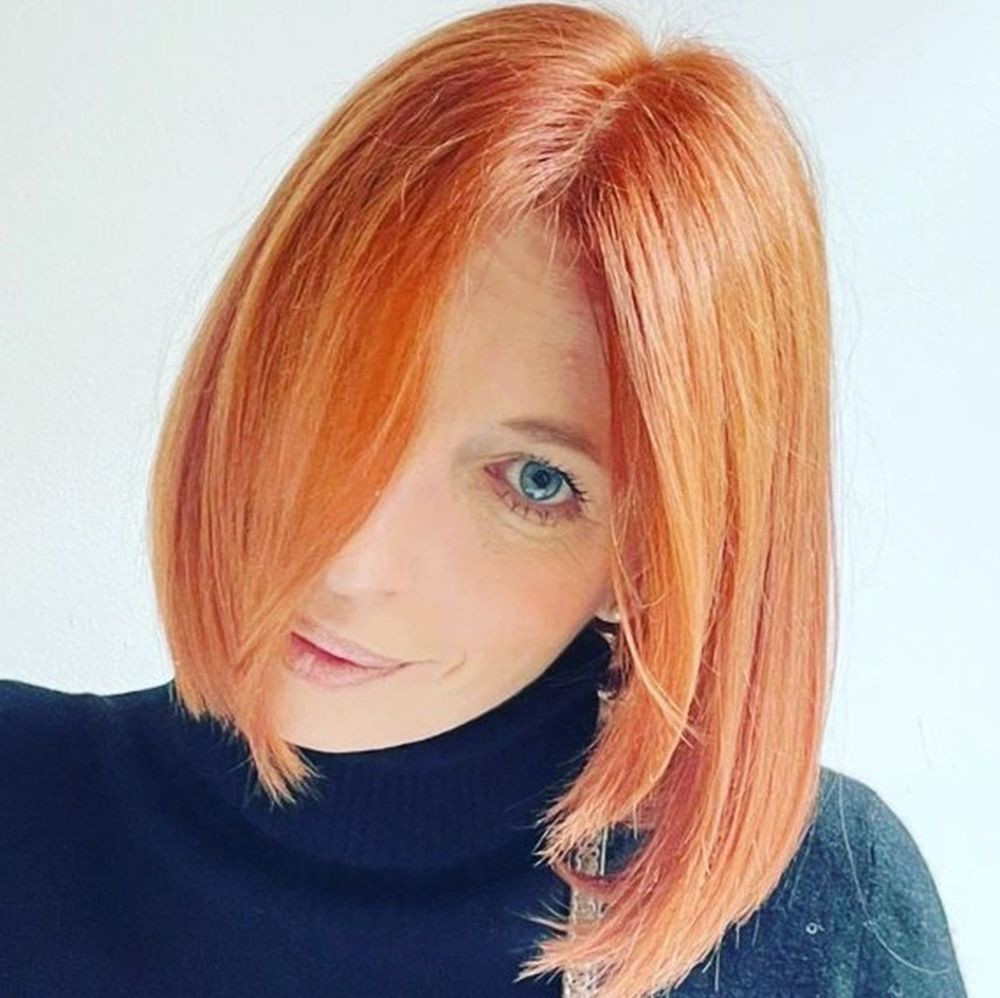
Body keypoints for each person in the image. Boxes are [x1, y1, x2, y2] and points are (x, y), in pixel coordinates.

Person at [0, 3, 966, 996]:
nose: (350, 561)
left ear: (650, 557)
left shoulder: (814, 909)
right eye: (326, 399)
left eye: (535, 481)